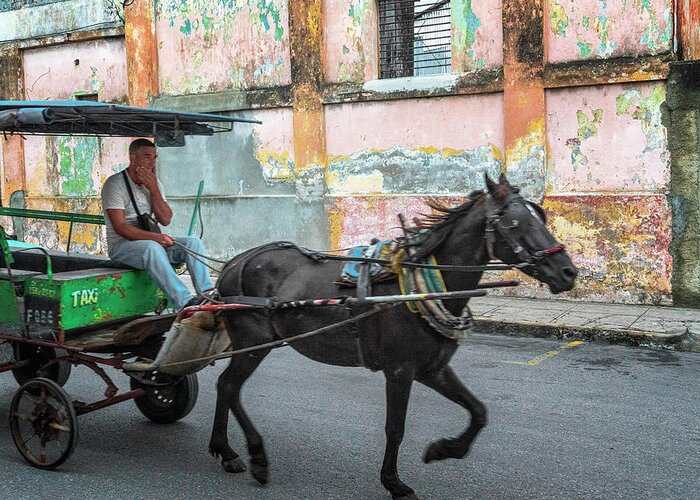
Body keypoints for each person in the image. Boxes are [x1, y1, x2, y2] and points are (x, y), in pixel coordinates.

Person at [101, 138, 213, 310]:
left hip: (152, 241)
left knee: (193, 242)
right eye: (146, 156)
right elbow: (120, 227)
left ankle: (207, 296)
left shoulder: (154, 183)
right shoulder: (115, 184)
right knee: (151, 247)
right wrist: (156, 238)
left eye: (154, 157)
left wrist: (153, 189)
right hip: (122, 247)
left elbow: (166, 219)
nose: (152, 162)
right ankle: (184, 302)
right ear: (133, 158)